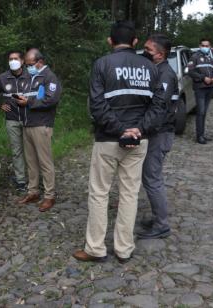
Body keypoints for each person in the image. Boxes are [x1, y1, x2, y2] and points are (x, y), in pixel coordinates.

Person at [72, 21, 165, 263]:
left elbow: (97, 106)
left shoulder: (102, 64)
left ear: (109, 41)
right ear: (135, 42)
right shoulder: (151, 67)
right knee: (130, 194)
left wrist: (121, 130)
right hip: (138, 142)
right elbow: (159, 106)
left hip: (108, 141)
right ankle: (124, 249)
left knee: (99, 194)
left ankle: (95, 249)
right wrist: (138, 130)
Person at [137, 34, 178, 239]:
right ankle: (157, 217)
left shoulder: (165, 74)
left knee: (152, 178)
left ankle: (161, 224)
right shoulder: (155, 70)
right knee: (149, 176)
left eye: (148, 50)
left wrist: (140, 129)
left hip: (160, 133)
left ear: (160, 54)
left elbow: (159, 106)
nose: (144, 52)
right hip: (155, 131)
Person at [16, 48, 62, 212]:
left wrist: (28, 102)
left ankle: (49, 195)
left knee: (45, 162)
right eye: (27, 64)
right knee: (31, 162)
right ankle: (33, 191)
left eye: (30, 64)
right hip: (27, 124)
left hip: (41, 125)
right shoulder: (29, 77)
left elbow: (51, 100)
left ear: (40, 62)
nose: (28, 67)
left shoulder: (50, 77)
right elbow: (29, 97)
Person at [0, 51, 31, 192]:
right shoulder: (2, 78)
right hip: (12, 120)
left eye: (15, 59)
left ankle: (34, 179)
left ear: (22, 61)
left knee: (31, 151)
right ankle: (21, 181)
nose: (12, 61)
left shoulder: (30, 76)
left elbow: (40, 95)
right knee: (16, 151)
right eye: (10, 59)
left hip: (29, 119)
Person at [188, 38, 213, 144]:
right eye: (203, 45)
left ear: (209, 46)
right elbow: (191, 72)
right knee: (200, 112)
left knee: (204, 112)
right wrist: (203, 78)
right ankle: (199, 136)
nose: (205, 47)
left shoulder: (210, 57)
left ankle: (202, 134)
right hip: (200, 88)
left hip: (209, 88)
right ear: (200, 46)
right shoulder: (195, 57)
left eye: (207, 46)